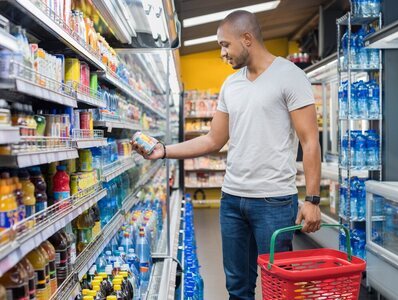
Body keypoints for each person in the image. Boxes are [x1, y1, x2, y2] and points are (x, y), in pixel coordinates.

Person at [131, 10, 322, 300]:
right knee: (237, 287)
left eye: (224, 44)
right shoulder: (231, 85)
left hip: (273, 200)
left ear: (247, 39)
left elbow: (310, 142)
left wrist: (312, 199)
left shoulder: (290, 77)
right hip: (232, 200)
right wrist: (165, 150)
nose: (222, 53)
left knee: (279, 288)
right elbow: (212, 140)